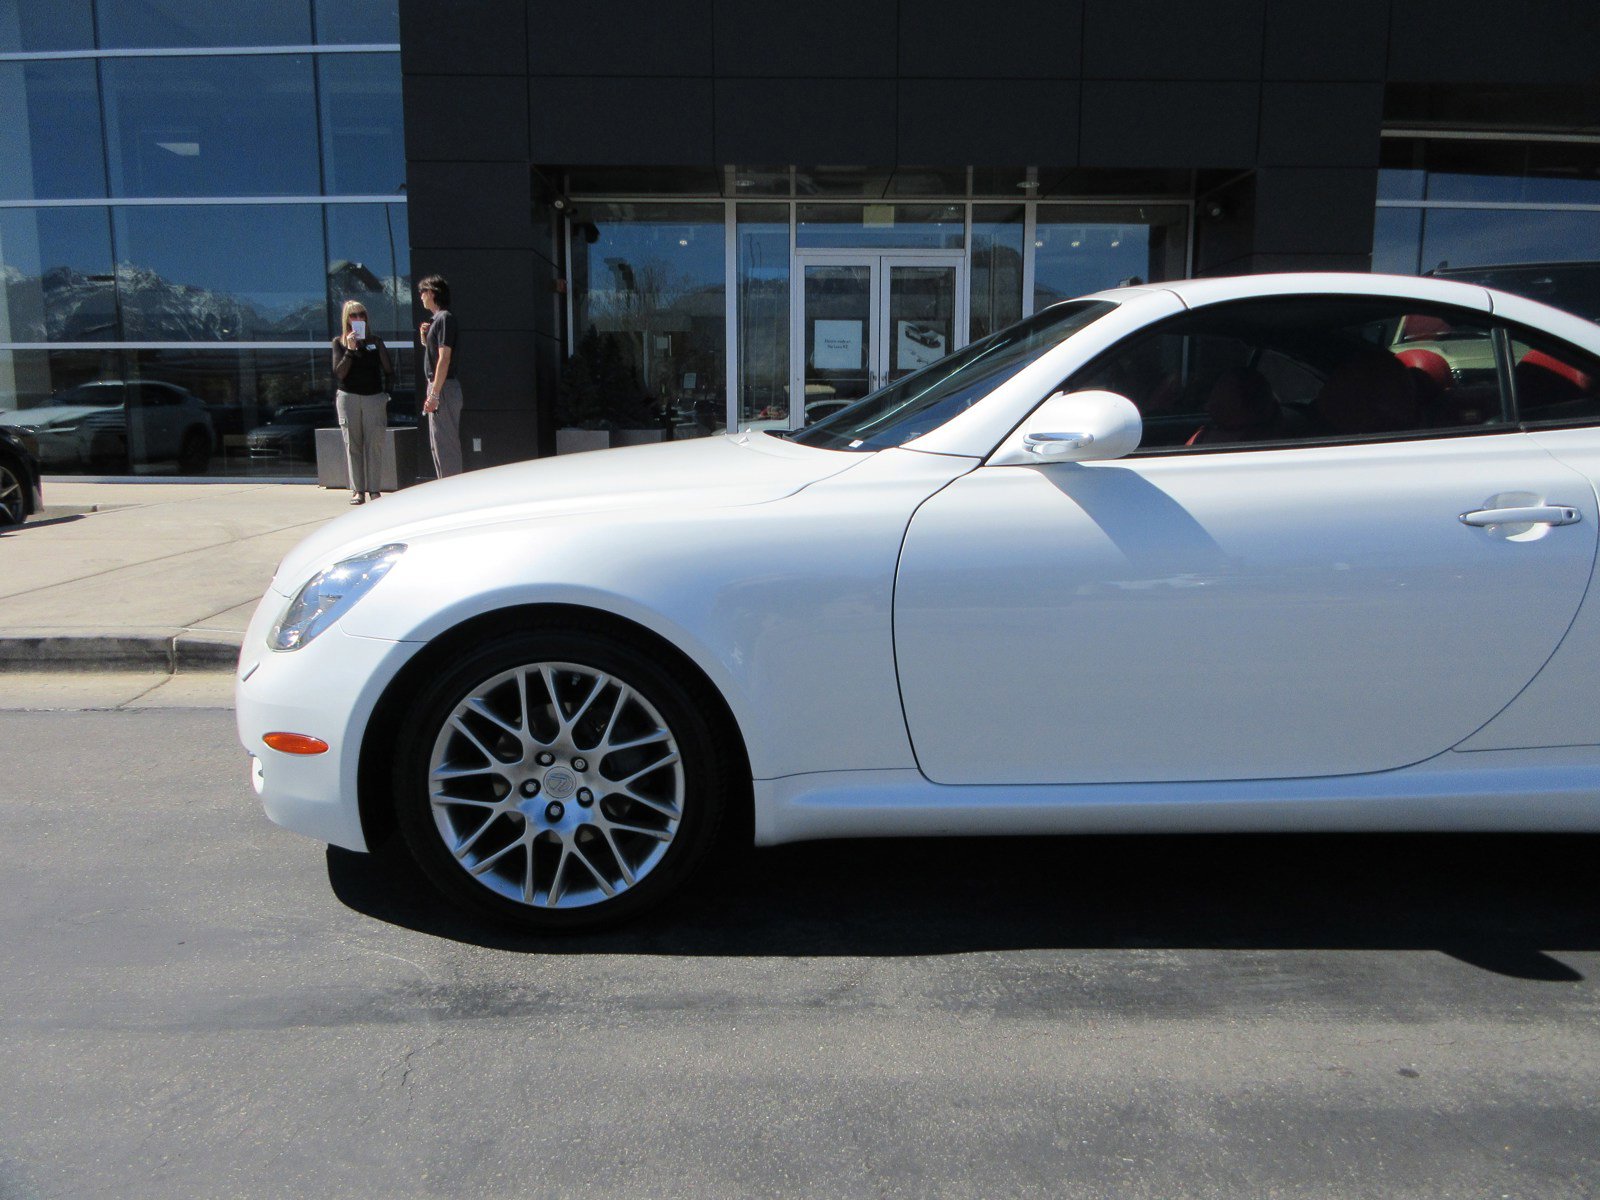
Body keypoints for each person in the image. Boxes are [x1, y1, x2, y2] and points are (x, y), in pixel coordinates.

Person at [331, 299, 394, 504]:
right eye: (353, 315)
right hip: (348, 398)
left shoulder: (375, 341)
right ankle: (358, 490)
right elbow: (339, 373)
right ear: (346, 320)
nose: (358, 319)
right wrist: (350, 349)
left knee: (374, 444)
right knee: (353, 445)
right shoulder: (339, 343)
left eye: (361, 315)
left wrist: (386, 394)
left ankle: (374, 490)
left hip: (373, 397)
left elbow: (388, 370)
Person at [418, 275, 463, 477]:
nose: (421, 297)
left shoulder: (444, 318)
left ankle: (452, 496)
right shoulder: (437, 320)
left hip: (443, 387)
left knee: (446, 446)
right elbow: (435, 355)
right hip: (439, 386)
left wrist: (434, 394)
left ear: (433, 293)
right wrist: (425, 338)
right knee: (438, 445)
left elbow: (444, 359)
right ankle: (446, 491)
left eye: (423, 292)